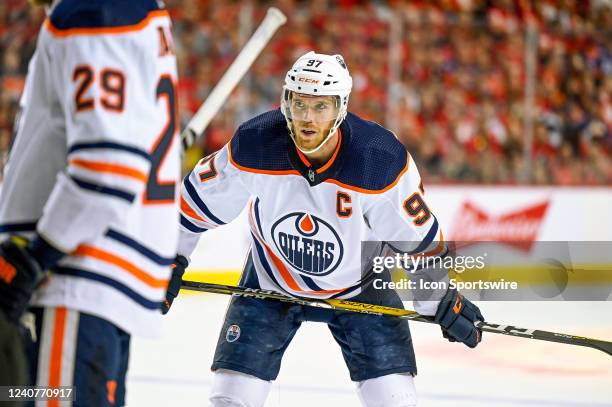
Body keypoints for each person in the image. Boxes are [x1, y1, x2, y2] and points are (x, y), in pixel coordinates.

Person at [169, 51, 483, 407]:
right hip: (272, 278)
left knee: (396, 402)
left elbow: (418, 243)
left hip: (362, 285)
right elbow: (192, 205)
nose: (306, 118)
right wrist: (168, 259)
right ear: (286, 101)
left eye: (320, 107)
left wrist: (437, 300)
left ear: (341, 108)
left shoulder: (377, 161)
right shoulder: (255, 145)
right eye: (299, 103)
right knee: (230, 400)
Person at [0, 0, 181, 405]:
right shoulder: (129, 11)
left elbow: (108, 168)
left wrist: (36, 257)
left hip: (70, 280)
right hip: (94, 283)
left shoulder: (93, 10)